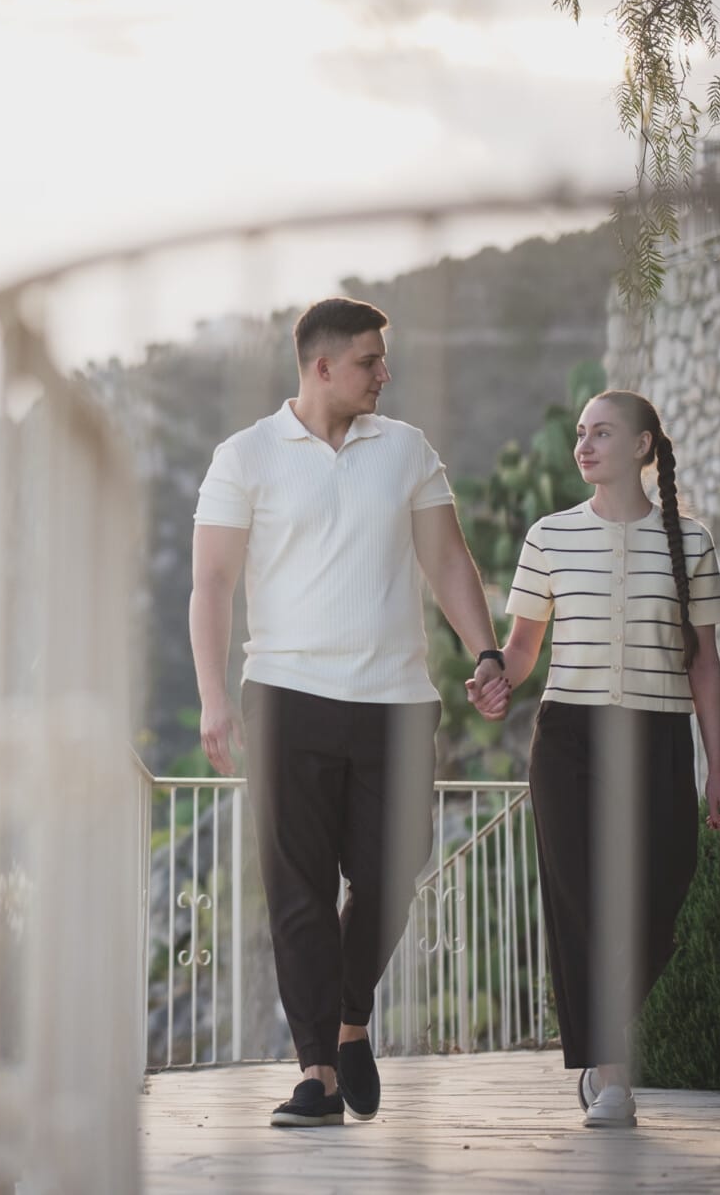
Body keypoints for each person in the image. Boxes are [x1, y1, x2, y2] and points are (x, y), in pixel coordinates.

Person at [190, 297, 508, 1129]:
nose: (384, 373)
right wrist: (215, 698)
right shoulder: (245, 456)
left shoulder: (406, 450)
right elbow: (212, 584)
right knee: (297, 893)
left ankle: (351, 1023)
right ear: (321, 366)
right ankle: (318, 1076)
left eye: (385, 359)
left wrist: (485, 651)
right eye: (369, 361)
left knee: (390, 880)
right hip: (286, 698)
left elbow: (447, 559)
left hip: (398, 703)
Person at [478, 389, 720, 1128]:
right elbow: (525, 647)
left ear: (644, 446)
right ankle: (610, 1064)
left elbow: (704, 665)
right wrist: (498, 676)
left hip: (657, 736)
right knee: (583, 900)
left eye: (602, 433)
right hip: (569, 741)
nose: (584, 445)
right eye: (580, 434)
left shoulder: (692, 542)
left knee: (663, 891)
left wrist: (716, 767)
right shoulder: (549, 536)